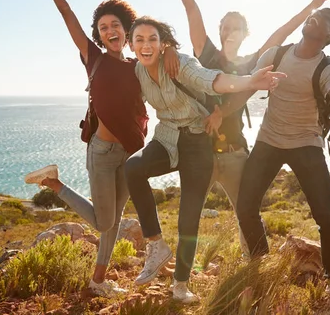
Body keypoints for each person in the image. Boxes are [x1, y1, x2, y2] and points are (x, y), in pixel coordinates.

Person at [158, 0, 330, 255]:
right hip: (201, 153)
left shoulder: (253, 62)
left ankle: (257, 272)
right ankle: (182, 281)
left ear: (244, 34)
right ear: (220, 29)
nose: (229, 32)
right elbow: (191, 7)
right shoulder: (205, 56)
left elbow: (282, 32)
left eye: (236, 28)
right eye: (225, 26)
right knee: (190, 217)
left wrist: (312, 6)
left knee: (247, 216)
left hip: (237, 153)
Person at [21, 0, 179, 298]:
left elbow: (164, 56)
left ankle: (98, 281)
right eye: (103, 26)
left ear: (127, 31)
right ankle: (56, 183)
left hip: (132, 154)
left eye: (116, 25)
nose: (109, 30)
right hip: (103, 152)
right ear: (99, 34)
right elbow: (65, 11)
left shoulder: (141, 63)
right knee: (104, 221)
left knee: (114, 222)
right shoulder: (93, 57)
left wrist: (168, 52)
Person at [123, 16, 286, 303]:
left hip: (197, 143)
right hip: (166, 137)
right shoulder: (137, 69)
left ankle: (181, 285)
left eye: (152, 39)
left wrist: (250, 81)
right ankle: (156, 245)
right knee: (133, 167)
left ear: (162, 44)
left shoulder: (181, 63)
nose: (146, 45)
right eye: (139, 40)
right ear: (131, 44)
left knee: (189, 216)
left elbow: (212, 81)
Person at [221, 5, 330, 303]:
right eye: (319, 11)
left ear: (328, 35)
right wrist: (219, 114)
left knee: (327, 217)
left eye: (328, 18)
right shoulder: (275, 54)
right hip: (269, 141)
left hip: (306, 144)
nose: (318, 15)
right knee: (246, 205)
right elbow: (247, 88)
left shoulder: (325, 68)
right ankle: (261, 262)